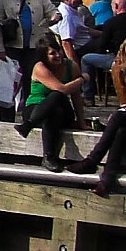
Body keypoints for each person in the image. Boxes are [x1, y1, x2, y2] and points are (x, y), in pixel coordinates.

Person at [78, 27, 126, 194]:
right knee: (122, 133)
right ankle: (107, 180)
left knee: (120, 117)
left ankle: (93, 160)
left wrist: (125, 113)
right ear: (125, 53)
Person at [18, 34, 87, 169]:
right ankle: (49, 157)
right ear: (44, 56)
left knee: (57, 96)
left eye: (59, 51)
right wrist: (82, 79)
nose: (58, 55)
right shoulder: (40, 67)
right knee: (54, 109)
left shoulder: (70, 66)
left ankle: (27, 126)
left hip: (63, 109)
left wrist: (81, 121)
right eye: (52, 53)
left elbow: (75, 96)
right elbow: (62, 88)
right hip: (36, 108)